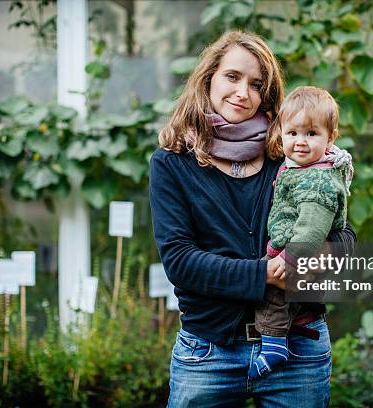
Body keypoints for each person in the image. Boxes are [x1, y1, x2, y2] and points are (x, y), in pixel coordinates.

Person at [149, 31, 356, 407]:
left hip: (298, 349)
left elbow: (345, 238)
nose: (243, 92)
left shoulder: (292, 149)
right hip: (209, 353)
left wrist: (305, 258)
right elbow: (179, 261)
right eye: (232, 77)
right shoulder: (173, 162)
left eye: (256, 84)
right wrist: (264, 273)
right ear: (209, 77)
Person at [249, 86, 353, 380]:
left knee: (275, 299)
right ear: (280, 132)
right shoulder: (296, 167)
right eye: (292, 134)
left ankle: (273, 347)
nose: (301, 142)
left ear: (330, 138)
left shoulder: (317, 178)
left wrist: (292, 257)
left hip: (294, 255)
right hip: (289, 251)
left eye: (311, 134)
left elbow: (313, 226)